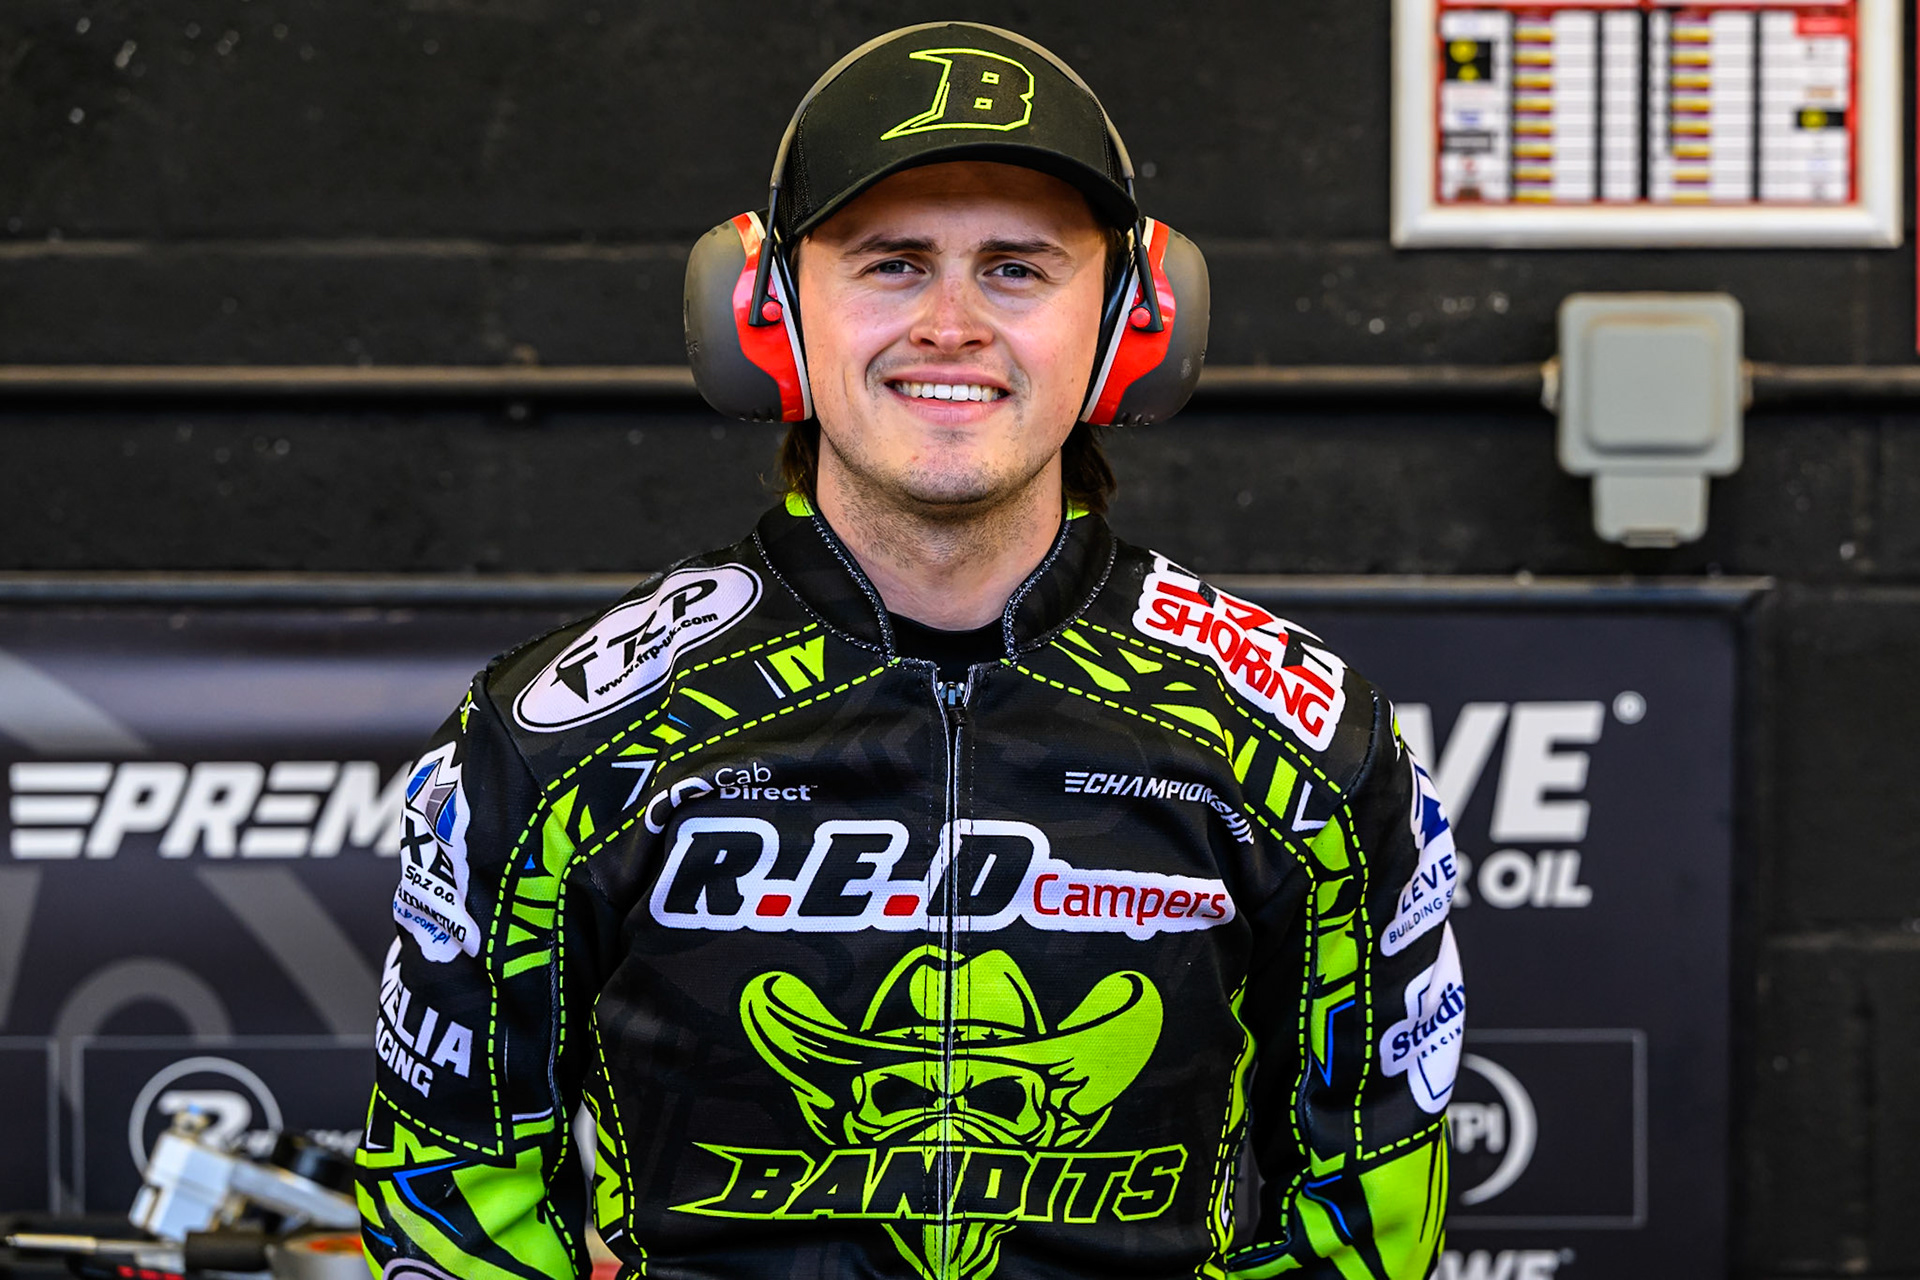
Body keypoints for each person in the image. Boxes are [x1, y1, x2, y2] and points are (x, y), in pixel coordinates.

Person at [356, 22, 1462, 1280]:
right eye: (892, 263)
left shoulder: (1302, 741)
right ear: (767, 309)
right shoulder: (554, 740)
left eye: (1017, 268)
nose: (951, 323)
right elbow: (452, 1207)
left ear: (1131, 316)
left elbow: (1366, 1219)